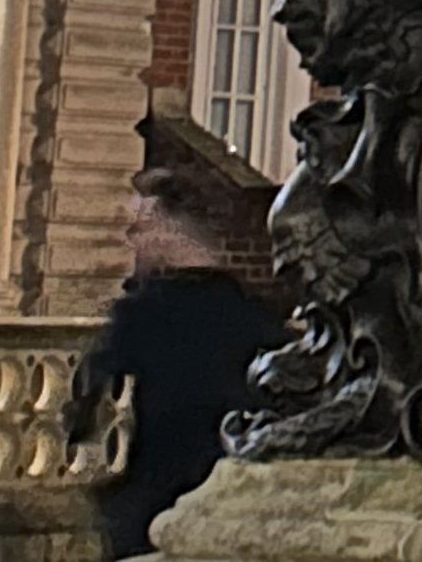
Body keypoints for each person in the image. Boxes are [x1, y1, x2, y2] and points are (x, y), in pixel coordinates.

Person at [71, 168, 283, 556]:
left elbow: (86, 397)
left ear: (168, 228)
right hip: (230, 495)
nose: (133, 241)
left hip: (155, 496)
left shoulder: (142, 314)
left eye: (141, 228)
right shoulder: (257, 316)